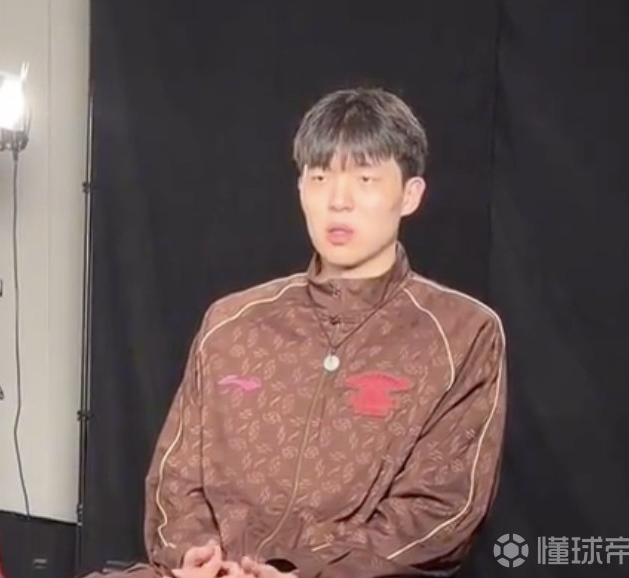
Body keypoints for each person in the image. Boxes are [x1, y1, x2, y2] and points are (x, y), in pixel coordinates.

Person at [89, 86, 507, 578]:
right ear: (301, 189)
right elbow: (175, 477)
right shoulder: (233, 322)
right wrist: (192, 555)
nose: (339, 201)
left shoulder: (462, 333)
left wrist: (300, 571)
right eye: (320, 177)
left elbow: (441, 508)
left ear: (410, 195)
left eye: (365, 179)